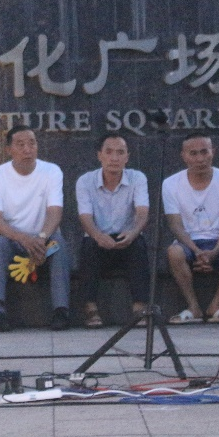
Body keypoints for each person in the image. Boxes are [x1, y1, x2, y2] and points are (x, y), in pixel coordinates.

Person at [0, 126, 71, 331]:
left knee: (58, 243)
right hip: (13, 240)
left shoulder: (52, 171)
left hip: (43, 239)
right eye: (20, 144)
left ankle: (61, 310)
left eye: (32, 143)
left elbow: (55, 212)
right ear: (9, 149)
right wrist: (23, 239)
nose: (27, 149)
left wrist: (41, 238)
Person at [163, 134, 219, 324]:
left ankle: (216, 305)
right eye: (193, 153)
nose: (200, 159)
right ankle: (193, 307)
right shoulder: (170, 184)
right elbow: (175, 225)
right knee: (174, 253)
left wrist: (215, 251)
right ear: (183, 156)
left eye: (204, 152)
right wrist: (196, 251)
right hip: (189, 242)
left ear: (213, 152)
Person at [74, 135, 150, 328]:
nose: (114, 158)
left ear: (127, 157)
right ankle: (90, 309)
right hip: (99, 238)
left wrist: (133, 233)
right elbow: (85, 216)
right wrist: (98, 236)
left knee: (139, 245)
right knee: (88, 246)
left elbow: (142, 212)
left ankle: (140, 308)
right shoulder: (85, 181)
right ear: (99, 155)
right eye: (109, 152)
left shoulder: (137, 178)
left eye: (120, 152)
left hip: (127, 237)